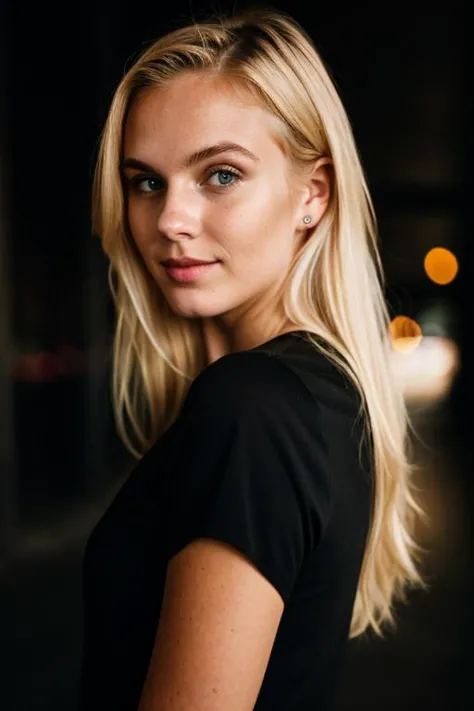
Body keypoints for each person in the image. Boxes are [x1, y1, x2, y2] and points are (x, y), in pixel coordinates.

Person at [79, 7, 426, 710]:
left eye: (220, 175)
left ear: (312, 195)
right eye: (146, 181)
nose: (170, 218)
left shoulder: (254, 405)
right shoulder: (319, 393)